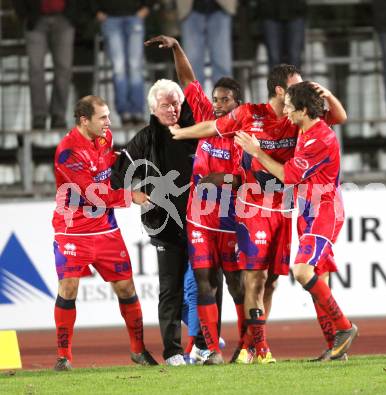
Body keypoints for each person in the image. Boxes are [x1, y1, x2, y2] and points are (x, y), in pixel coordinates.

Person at [170, 64, 347, 364]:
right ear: (280, 90)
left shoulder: (301, 119)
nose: (303, 87)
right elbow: (214, 127)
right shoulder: (250, 114)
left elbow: (338, 118)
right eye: (296, 84)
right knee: (254, 277)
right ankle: (256, 348)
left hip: (287, 208)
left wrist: (326, 93)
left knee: (273, 282)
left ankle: (267, 344)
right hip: (253, 208)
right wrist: (181, 132)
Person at [234, 81, 358, 361]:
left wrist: (257, 153)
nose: (285, 112)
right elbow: (338, 115)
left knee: (302, 271)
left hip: (323, 211)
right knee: (319, 280)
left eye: (290, 107)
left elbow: (288, 175)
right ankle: (336, 347)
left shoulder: (319, 139)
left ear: (303, 110)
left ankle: (345, 328)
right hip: (306, 211)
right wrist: (326, 94)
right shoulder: (306, 128)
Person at [145, 35, 244, 365]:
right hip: (198, 218)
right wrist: (176, 48)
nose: (217, 104)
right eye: (216, 98)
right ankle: (207, 348)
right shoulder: (207, 116)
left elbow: (249, 178)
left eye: (225, 100)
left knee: (233, 285)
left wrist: (219, 179)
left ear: (238, 105)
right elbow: (188, 81)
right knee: (200, 283)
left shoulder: (243, 135)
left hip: (228, 220)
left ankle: (247, 345)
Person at [51, 95, 158, 371]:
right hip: (72, 229)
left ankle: (138, 350)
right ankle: (64, 357)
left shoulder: (103, 138)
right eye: (103, 117)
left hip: (106, 229)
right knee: (69, 287)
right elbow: (90, 193)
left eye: (109, 116)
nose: (109, 122)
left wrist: (124, 159)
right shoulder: (68, 152)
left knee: (126, 287)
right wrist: (129, 196)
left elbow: (106, 162)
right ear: (84, 120)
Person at [111, 79, 198, 366]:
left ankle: (204, 344)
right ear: (153, 108)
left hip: (202, 224)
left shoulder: (196, 132)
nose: (172, 109)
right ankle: (173, 351)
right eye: (165, 105)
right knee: (171, 288)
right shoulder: (144, 138)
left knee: (205, 286)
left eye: (176, 103)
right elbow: (116, 176)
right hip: (165, 225)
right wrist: (134, 194)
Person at [12, 0, 76, 130]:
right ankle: (39, 116)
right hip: (35, 19)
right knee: (35, 69)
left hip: (64, 18)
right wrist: (25, 14)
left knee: (64, 68)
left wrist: (73, 14)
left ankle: (58, 115)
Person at [92, 0, 153, 125]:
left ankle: (137, 111)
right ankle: (125, 112)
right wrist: (96, 10)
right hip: (110, 17)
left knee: (135, 66)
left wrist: (147, 6)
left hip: (134, 15)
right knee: (119, 67)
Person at [176, 0, 237, 89]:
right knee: (191, 69)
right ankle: (194, 102)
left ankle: (224, 101)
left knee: (222, 65)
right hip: (189, 9)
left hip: (221, 8)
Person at [257, 0, 307, 70]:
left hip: (296, 11)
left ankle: (294, 80)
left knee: (294, 57)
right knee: (274, 57)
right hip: (269, 12)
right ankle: (276, 80)